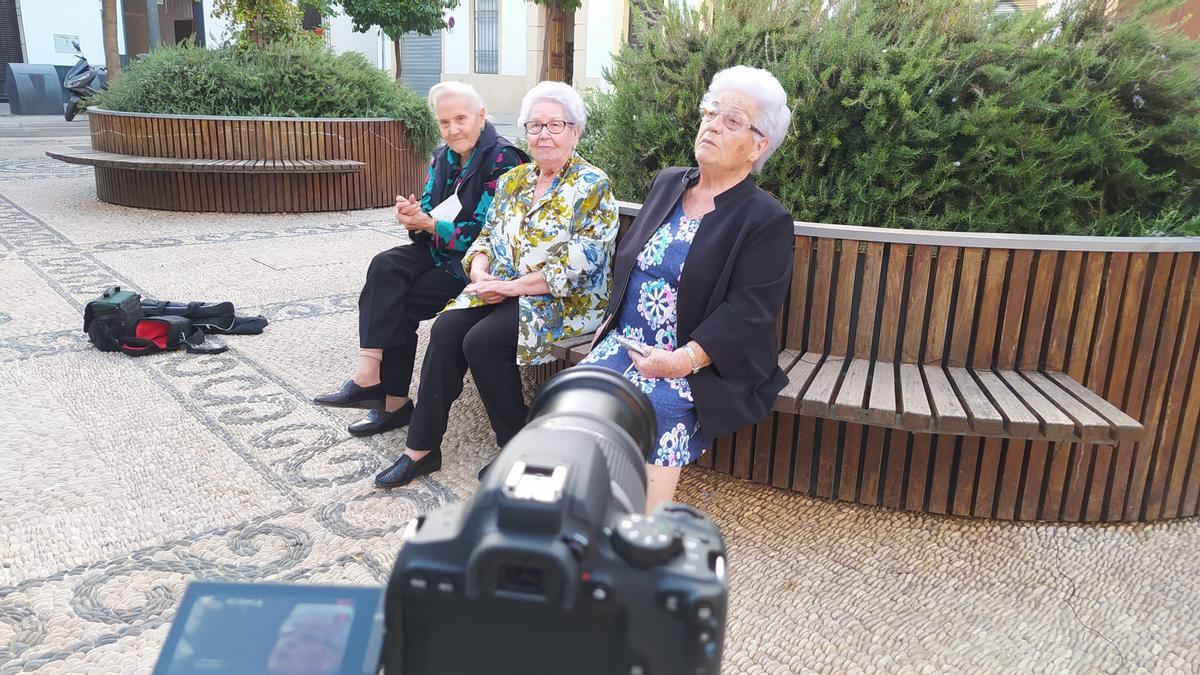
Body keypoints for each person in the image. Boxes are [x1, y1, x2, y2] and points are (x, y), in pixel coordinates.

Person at [374, 81, 620, 489]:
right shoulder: (515, 181)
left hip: (562, 300)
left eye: (555, 125)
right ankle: (421, 448)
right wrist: (480, 272)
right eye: (535, 125)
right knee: (447, 328)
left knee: (483, 341)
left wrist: (508, 289)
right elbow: (485, 237)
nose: (543, 134)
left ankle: (519, 447)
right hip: (501, 288)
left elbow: (579, 264)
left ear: (575, 132)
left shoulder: (591, 184)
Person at [581, 66, 795, 512]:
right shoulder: (669, 182)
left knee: (654, 407)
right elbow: (632, 261)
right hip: (630, 343)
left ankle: (642, 534)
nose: (713, 124)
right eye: (710, 112)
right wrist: (610, 322)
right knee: (577, 392)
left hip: (702, 362)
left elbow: (750, 311)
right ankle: (587, 507)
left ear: (759, 146)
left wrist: (683, 360)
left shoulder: (765, 219)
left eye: (732, 119)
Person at [313, 82, 527, 436]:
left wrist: (430, 225)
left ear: (481, 116)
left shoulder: (505, 160)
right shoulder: (442, 156)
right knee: (386, 265)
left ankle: (392, 402)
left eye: (461, 118)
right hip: (437, 251)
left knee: (397, 301)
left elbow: (489, 233)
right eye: (445, 122)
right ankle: (373, 378)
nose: (453, 129)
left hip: (473, 265)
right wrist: (412, 216)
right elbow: (428, 209)